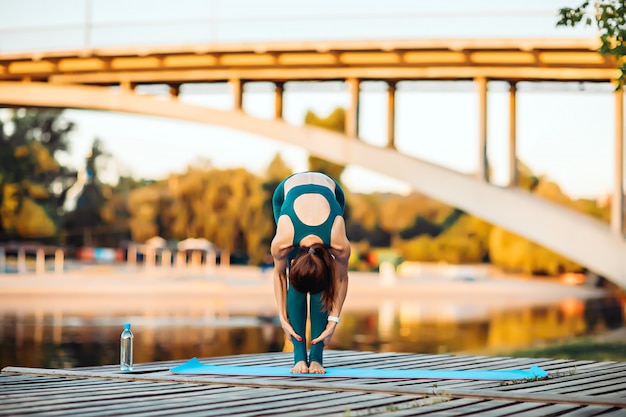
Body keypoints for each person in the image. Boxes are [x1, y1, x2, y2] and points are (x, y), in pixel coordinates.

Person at [271, 171, 351, 374]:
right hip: (286, 192)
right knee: (301, 277)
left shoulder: (338, 241)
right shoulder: (283, 241)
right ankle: (299, 358)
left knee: (319, 282)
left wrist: (334, 320)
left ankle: (316, 357)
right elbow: (280, 275)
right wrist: (282, 318)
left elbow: (341, 277)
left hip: (331, 190)